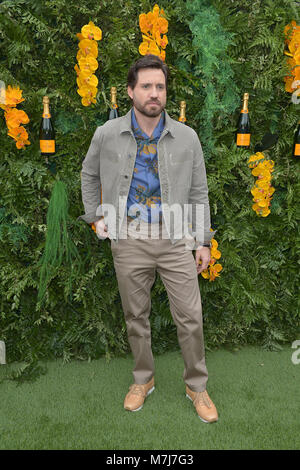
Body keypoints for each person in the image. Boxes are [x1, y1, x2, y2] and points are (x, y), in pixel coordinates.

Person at [78, 54, 218, 423]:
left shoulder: (187, 137)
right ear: (130, 91)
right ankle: (144, 379)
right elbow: (89, 174)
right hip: (129, 237)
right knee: (135, 315)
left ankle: (197, 386)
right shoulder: (107, 134)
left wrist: (202, 240)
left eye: (160, 86)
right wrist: (95, 216)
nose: (154, 93)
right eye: (146, 86)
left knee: (191, 316)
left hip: (176, 237)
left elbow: (199, 192)